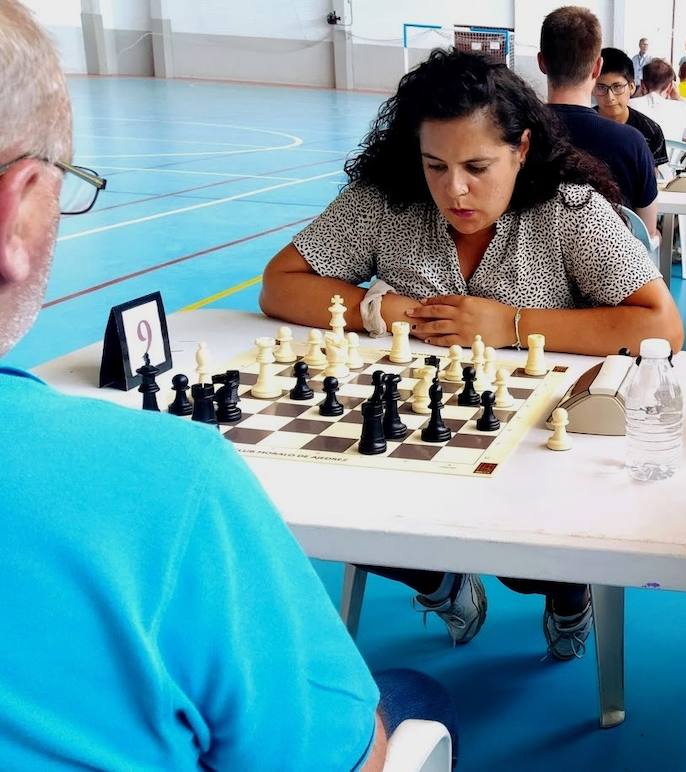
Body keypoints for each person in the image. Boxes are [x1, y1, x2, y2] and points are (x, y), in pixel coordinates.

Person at [0, 1, 459, 767]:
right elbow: (357, 759)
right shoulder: (167, 485)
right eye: (64, 184)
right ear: (12, 211)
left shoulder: (571, 215)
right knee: (413, 695)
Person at [260, 49, 683, 661]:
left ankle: (567, 597)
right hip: (411, 431)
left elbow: (662, 326)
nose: (454, 190)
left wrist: (510, 322)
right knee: (344, 511)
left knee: (527, 562)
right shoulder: (385, 203)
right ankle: (440, 580)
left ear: (523, 149)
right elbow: (280, 283)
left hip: (536, 446)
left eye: (477, 166)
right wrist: (385, 310)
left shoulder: (571, 212)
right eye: (435, 165)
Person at [539, 6, 659, 240]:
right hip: (612, 272)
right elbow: (647, 230)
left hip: (531, 272)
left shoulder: (514, 133)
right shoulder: (631, 141)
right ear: (597, 68)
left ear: (542, 63)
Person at [596, 47, 667, 167]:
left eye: (617, 87)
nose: (610, 97)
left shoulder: (650, 131)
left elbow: (653, 178)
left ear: (632, 87)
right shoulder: (580, 127)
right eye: (601, 87)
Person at [630, 58, 686, 146]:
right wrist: (679, 99)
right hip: (672, 160)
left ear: (642, 84)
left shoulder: (629, 106)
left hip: (637, 160)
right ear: (671, 86)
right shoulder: (682, 108)